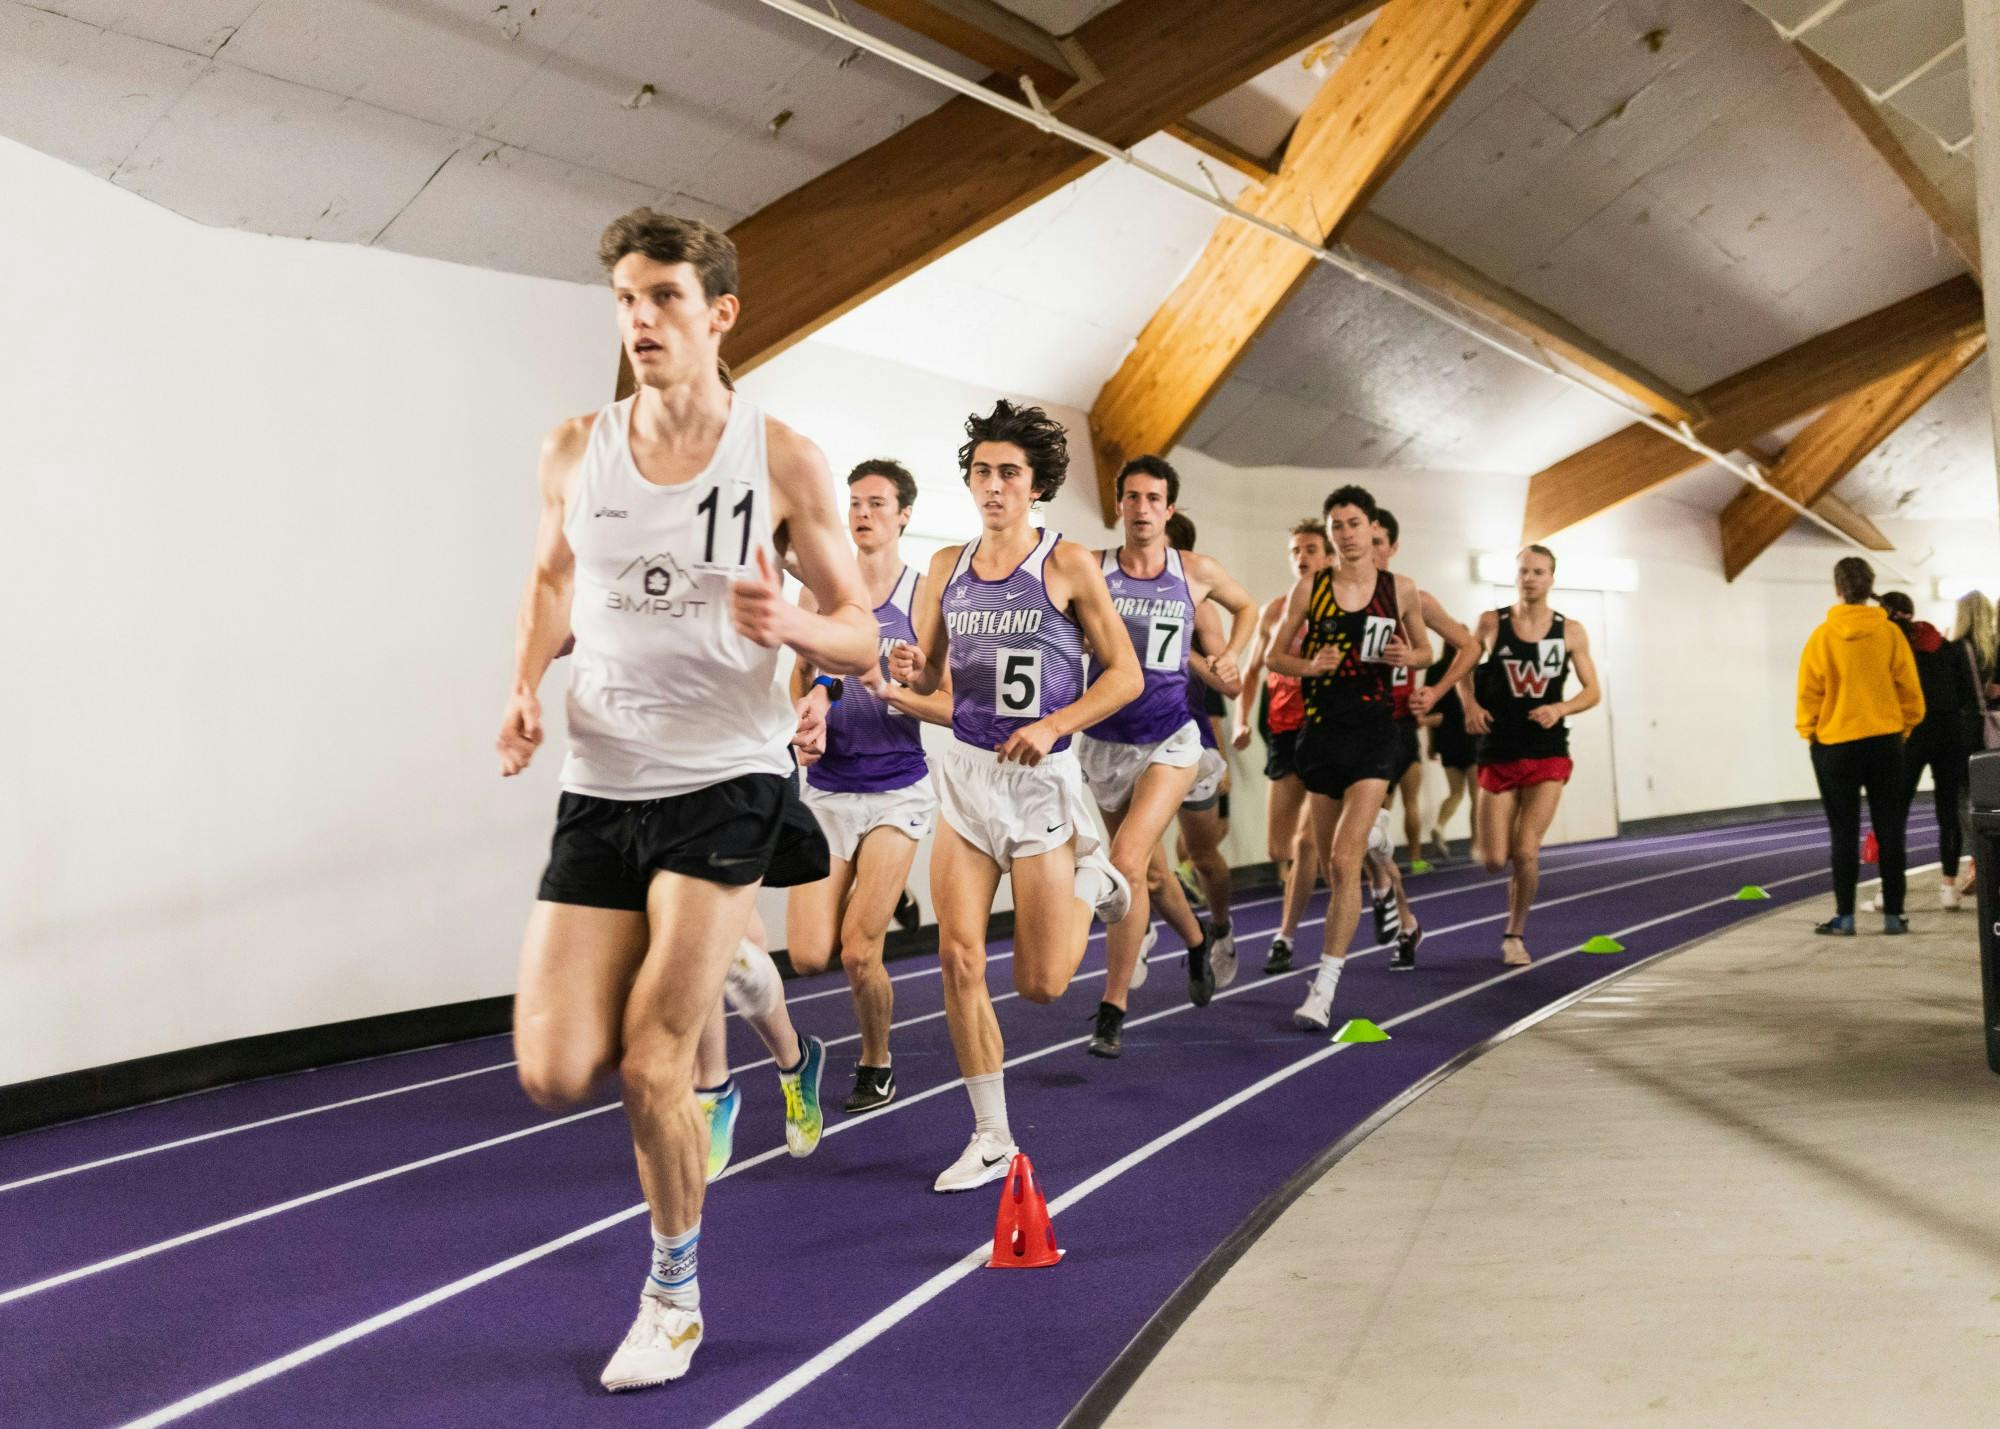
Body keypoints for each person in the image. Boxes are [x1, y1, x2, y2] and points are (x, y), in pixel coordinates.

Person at [497, 210, 879, 1392]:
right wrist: (520, 686)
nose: (641, 320)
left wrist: (793, 624)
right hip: (600, 781)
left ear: (718, 314)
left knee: (654, 1060)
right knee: (555, 1068)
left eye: (663, 297)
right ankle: (741, 989)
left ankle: (672, 1293)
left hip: (729, 775)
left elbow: (860, 632)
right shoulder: (574, 447)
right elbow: (552, 578)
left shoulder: (783, 458)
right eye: (625, 299)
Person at [889, 400, 1139, 1188]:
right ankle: (992, 1134)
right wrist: (904, 673)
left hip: (1039, 783)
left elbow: (1125, 675)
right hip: (966, 778)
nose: (992, 486)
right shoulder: (943, 568)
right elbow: (931, 675)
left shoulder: (1067, 566)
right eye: (982, 472)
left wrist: (1056, 722)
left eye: (1009, 473)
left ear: (1036, 486)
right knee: (958, 954)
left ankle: (1095, 879)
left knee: (1042, 983)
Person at [786, 460, 953, 1112]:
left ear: (904, 514)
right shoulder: (824, 593)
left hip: (895, 790)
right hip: (829, 788)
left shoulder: (921, 597)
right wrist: (807, 717)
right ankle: (890, 886)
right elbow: (799, 678)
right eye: (854, 502)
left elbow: (946, 693)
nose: (862, 513)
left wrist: (914, 678)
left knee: (860, 952)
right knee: (804, 956)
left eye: (877, 503)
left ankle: (876, 1061)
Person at [1074, 460, 1254, 1059]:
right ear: (1120, 506)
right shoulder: (1092, 568)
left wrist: (1229, 655)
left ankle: (1112, 1007)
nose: (1143, 508)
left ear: (1169, 510)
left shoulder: (1194, 573)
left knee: (1124, 861)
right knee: (1149, 873)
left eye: (1155, 498)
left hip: (1171, 739)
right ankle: (1199, 941)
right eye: (1132, 497)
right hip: (1105, 741)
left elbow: (1247, 607)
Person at [1264, 486, 1431, 1031]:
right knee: (1337, 861)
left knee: (1340, 860)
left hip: (1376, 735)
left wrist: (1411, 656)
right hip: (1321, 735)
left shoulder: (1399, 588)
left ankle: (1324, 986)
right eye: (1337, 526)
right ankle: (1380, 842)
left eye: (1353, 523)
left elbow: (1427, 649)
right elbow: (1274, 655)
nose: (1345, 533)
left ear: (1369, 527)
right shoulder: (1310, 589)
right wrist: (1311, 666)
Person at [1448, 545, 1602, 966]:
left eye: (1538, 571)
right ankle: (1499, 844)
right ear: (1515, 577)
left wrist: (1560, 708)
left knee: (1527, 851)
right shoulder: (1491, 623)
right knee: (1495, 859)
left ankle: (1514, 934)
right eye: (1523, 571)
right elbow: (1463, 665)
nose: (1530, 578)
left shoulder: (1570, 631)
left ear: (1552, 577)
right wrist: (1470, 706)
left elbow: (1593, 691)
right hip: (1498, 749)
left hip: (1546, 751)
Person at [1795, 556, 1923, 935]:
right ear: (1870, 589)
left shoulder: (1822, 636)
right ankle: (1894, 916)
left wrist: (1811, 732)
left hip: (1835, 746)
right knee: (1890, 828)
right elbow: (1910, 692)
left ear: (1838, 589)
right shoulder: (1890, 635)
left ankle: (1845, 917)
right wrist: (1902, 729)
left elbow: (1809, 693)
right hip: (1885, 742)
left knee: (1843, 831)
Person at [1235, 519, 1330, 975]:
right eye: (1295, 550)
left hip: (1328, 730)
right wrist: (1240, 720)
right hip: (1284, 731)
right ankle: (1374, 851)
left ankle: (1284, 936)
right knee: (1278, 848)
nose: (1302, 557)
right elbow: (1252, 669)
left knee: (1307, 841)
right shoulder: (1275, 611)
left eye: (1311, 548)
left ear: (1328, 556)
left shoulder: (1341, 607)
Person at [1877, 592, 1977, 910]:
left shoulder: (1891, 646)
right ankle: (1948, 888)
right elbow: (1963, 691)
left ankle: (1891, 891)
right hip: (1950, 735)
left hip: (1911, 736)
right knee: (1947, 812)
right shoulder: (1942, 644)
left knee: (1895, 814)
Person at [1951, 591, 1999, 894]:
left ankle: (1977, 862)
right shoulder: (1994, 649)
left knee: (1965, 798)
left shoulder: (1956, 649)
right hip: (1993, 730)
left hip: (1966, 732)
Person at [1418, 650, 1478, 863]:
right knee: (1476, 797)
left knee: (1455, 793)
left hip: (1447, 739)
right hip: (1471, 737)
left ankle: (1439, 825)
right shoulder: (1472, 668)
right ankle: (1476, 845)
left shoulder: (1434, 671)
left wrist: (1432, 744)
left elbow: (1430, 710)